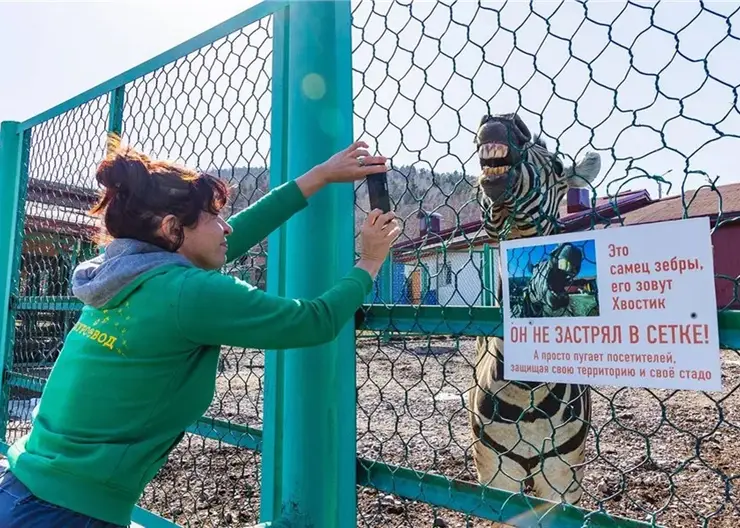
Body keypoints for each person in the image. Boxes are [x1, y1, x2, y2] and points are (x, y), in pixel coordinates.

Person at [0, 135, 400, 527]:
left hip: (21, 484)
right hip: (67, 512)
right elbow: (314, 320)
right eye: (214, 216)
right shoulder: (187, 293)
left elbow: (223, 241)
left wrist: (319, 176)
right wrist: (369, 261)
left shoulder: (119, 274)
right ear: (173, 228)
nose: (226, 228)